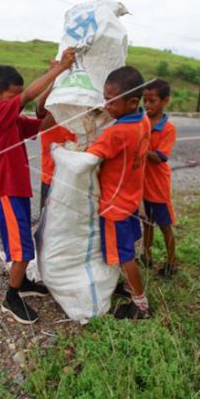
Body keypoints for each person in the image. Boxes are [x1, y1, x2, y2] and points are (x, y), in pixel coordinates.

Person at [0, 47, 76, 324]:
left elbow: (42, 124)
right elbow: (27, 97)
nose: (18, 104)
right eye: (12, 98)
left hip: (20, 191)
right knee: (22, 249)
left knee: (25, 242)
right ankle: (11, 298)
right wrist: (57, 70)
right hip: (7, 192)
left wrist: (60, 94)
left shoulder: (12, 120)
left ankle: (22, 283)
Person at [86, 66, 151, 319]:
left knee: (125, 256)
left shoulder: (117, 132)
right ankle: (127, 288)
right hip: (131, 198)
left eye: (111, 102)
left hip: (114, 206)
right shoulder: (143, 120)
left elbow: (88, 158)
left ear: (132, 102)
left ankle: (140, 303)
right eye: (104, 98)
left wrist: (64, 151)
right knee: (127, 252)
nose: (106, 106)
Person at [141, 78, 178, 277]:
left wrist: (140, 147)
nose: (147, 105)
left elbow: (159, 158)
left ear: (165, 101)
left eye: (152, 101)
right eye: (145, 101)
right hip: (143, 185)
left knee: (165, 227)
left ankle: (172, 263)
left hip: (159, 186)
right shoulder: (143, 121)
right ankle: (146, 257)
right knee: (147, 223)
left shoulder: (168, 128)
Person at [36, 85, 77, 214]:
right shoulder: (50, 106)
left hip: (75, 177)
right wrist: (56, 78)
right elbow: (39, 106)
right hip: (50, 175)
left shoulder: (80, 102)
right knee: (47, 225)